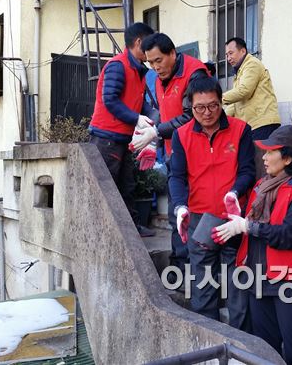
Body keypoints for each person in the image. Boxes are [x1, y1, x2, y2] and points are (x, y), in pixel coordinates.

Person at [212, 125, 292, 365]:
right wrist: (231, 226)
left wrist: (248, 227)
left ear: (287, 158)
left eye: (269, 152)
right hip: (258, 279)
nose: (263, 157)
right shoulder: (261, 187)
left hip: (291, 280)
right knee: (265, 351)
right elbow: (251, 229)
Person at [168, 76, 256, 329]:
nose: (207, 113)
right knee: (203, 286)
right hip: (199, 219)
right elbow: (177, 176)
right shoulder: (181, 135)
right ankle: (210, 344)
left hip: (232, 220)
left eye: (213, 106)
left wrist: (235, 192)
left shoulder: (240, 130)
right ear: (190, 107)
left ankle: (242, 347)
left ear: (221, 102)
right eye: (200, 108)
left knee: (238, 284)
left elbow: (247, 170)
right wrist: (180, 207)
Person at [131, 33, 210, 266]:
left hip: (197, 153)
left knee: (193, 211)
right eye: (151, 63)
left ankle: (193, 266)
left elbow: (192, 115)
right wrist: (151, 132)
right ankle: (178, 265)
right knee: (177, 210)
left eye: (159, 60)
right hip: (172, 152)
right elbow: (164, 112)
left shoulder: (195, 73)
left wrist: (156, 132)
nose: (156, 67)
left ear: (173, 53)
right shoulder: (155, 79)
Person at [88, 22, 156, 237]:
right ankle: (104, 232)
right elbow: (110, 100)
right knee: (107, 187)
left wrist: (155, 117)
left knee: (126, 185)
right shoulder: (118, 66)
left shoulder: (138, 71)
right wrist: (138, 119)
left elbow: (138, 102)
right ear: (138, 42)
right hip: (106, 137)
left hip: (122, 138)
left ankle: (130, 229)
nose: (153, 50)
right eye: (149, 44)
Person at [223, 37, 281, 140]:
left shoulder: (252, 64)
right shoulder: (240, 71)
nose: (228, 58)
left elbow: (244, 91)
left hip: (262, 124)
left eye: (231, 53)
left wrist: (217, 98)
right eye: (227, 55)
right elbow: (235, 104)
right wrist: (219, 116)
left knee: (261, 156)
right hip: (254, 125)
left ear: (243, 51)